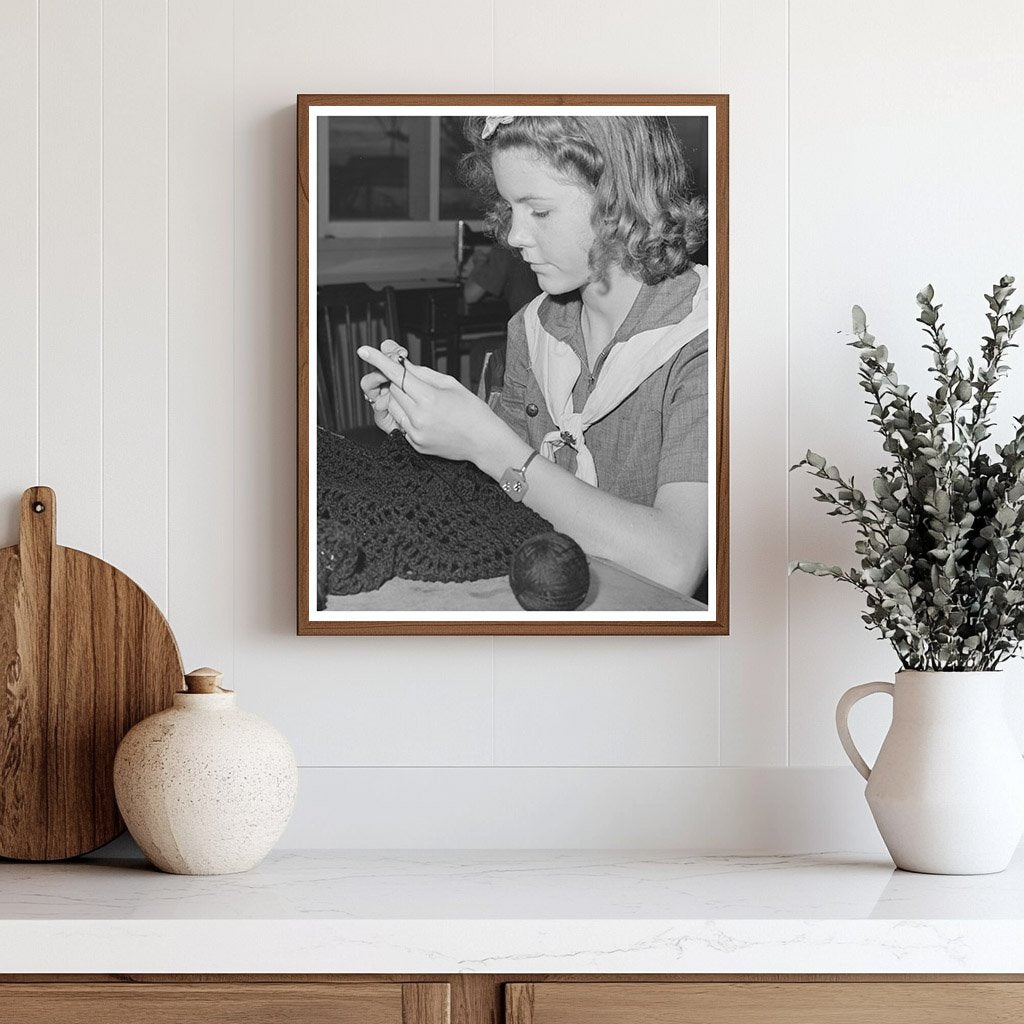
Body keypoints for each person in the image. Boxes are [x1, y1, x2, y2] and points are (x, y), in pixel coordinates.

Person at [358, 115, 709, 597]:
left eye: (539, 212)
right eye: (509, 208)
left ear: (623, 204)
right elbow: (513, 490)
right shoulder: (533, 326)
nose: (514, 236)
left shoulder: (706, 339)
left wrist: (487, 442)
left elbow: (674, 565)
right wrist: (425, 424)